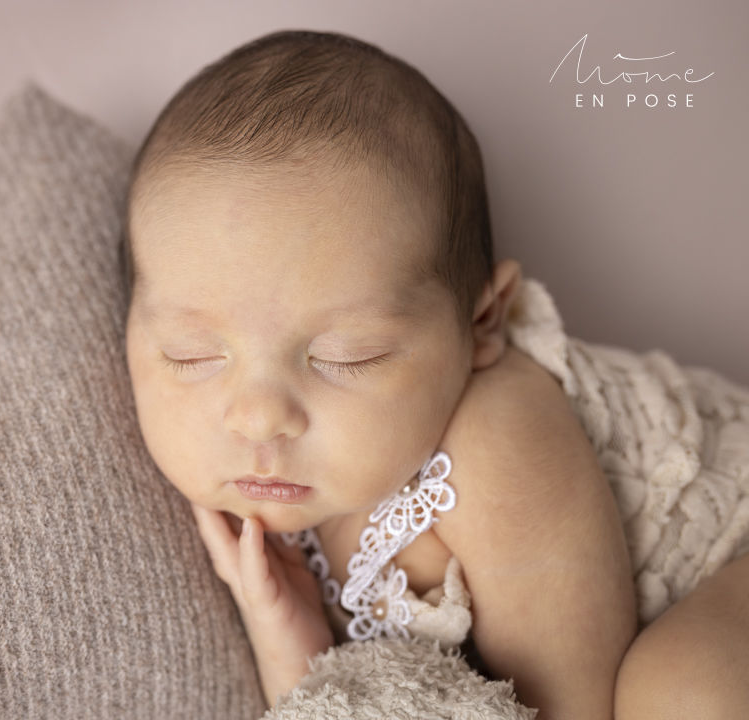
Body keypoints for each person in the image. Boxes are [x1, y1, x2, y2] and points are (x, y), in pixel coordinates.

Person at [119, 29, 749, 719]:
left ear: (481, 324)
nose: (260, 415)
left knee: (683, 691)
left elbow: (574, 703)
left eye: (346, 355)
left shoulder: (496, 442)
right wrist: (289, 647)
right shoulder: (284, 510)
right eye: (192, 354)